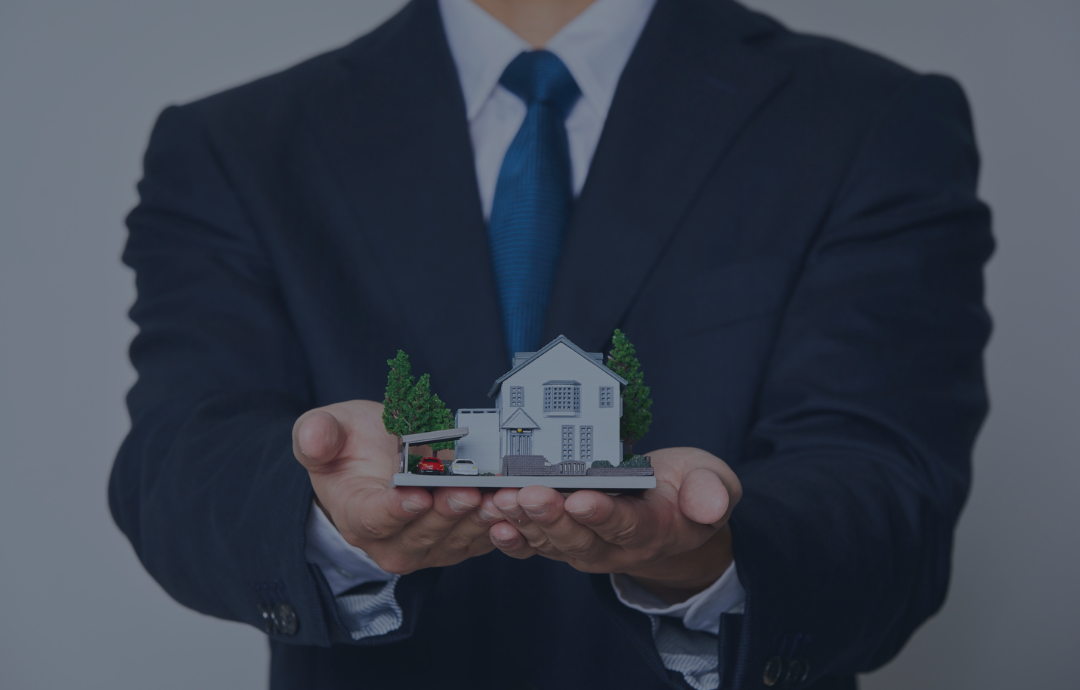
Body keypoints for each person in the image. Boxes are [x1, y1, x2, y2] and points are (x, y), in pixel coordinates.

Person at [108, 0, 993, 688]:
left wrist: (699, 553)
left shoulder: (870, 122)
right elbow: (178, 464)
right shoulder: (236, 146)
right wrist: (329, 515)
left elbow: (888, 492)